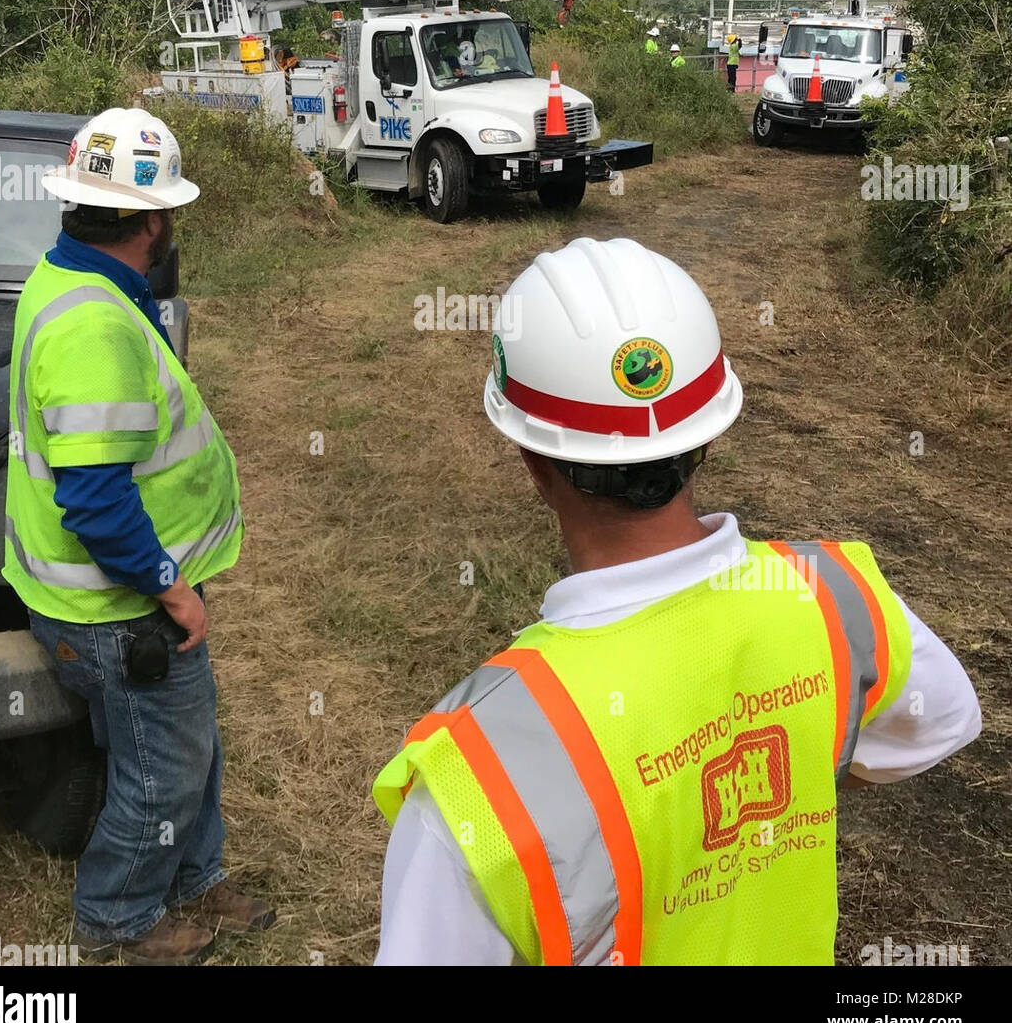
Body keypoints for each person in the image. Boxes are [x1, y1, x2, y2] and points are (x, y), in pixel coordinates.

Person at [372, 238, 981, 966]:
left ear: (530, 459)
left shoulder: (480, 771)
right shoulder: (834, 597)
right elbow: (944, 721)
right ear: (709, 437)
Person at [5, 107, 274, 966]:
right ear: (153, 220)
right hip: (120, 607)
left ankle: (197, 878)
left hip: (119, 599)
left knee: (187, 744)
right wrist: (171, 588)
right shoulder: (93, 323)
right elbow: (94, 500)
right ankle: (118, 915)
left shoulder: (70, 280)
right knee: (160, 765)